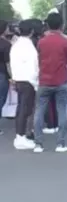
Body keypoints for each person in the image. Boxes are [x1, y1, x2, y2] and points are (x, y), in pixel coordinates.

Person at [34, 12, 67, 153]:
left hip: (44, 80)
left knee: (39, 111)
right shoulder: (66, 41)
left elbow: (39, 58)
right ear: (61, 25)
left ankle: (38, 144)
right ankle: (60, 144)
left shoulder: (41, 41)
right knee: (62, 110)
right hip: (61, 79)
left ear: (48, 25)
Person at [10, 20, 38, 150]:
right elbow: (33, 67)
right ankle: (20, 138)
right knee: (25, 109)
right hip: (28, 81)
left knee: (21, 108)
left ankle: (20, 136)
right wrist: (36, 82)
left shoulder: (16, 45)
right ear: (32, 31)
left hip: (19, 79)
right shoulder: (28, 46)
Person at [0, 20, 11, 135]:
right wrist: (12, 77)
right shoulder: (6, 44)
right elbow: (8, 63)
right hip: (2, 74)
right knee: (0, 99)